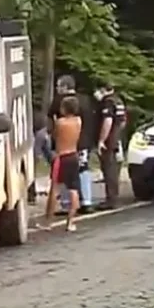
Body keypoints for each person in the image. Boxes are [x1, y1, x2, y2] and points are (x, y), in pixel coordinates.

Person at [48, 75, 96, 211]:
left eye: (58, 86)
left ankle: (66, 203)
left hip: (65, 145)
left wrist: (53, 137)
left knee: (63, 175)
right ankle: (86, 201)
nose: (57, 89)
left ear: (65, 87)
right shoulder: (85, 100)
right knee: (83, 169)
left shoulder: (59, 101)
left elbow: (51, 120)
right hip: (83, 141)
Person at [40, 96, 81, 232]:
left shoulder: (61, 123)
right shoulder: (78, 121)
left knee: (55, 189)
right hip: (74, 155)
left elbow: (55, 136)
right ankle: (71, 222)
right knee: (73, 189)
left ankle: (48, 221)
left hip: (61, 156)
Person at [95, 81, 127, 209]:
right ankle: (114, 197)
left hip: (110, 141)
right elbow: (124, 120)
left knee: (109, 169)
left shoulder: (107, 102)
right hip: (118, 139)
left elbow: (107, 121)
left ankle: (111, 200)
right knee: (115, 169)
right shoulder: (118, 101)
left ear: (103, 89)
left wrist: (102, 140)